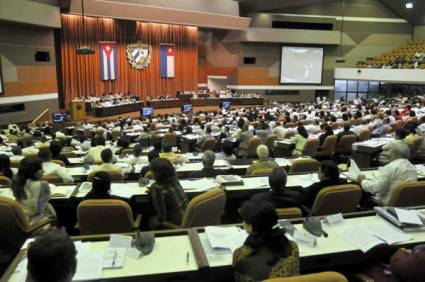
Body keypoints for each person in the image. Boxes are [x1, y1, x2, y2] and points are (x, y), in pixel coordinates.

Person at [233, 200, 300, 282]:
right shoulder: (293, 246)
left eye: (244, 220)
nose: (243, 223)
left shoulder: (240, 254)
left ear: (250, 226)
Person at [11, 156, 56, 224]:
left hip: (18, 220)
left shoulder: (15, 183)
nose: (43, 171)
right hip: (36, 222)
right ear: (32, 172)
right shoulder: (42, 185)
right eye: (40, 169)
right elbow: (40, 208)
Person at [148, 158, 188, 228]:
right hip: (188, 220)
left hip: (176, 226)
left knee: (151, 221)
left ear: (156, 173)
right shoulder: (175, 180)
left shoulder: (157, 188)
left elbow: (162, 216)